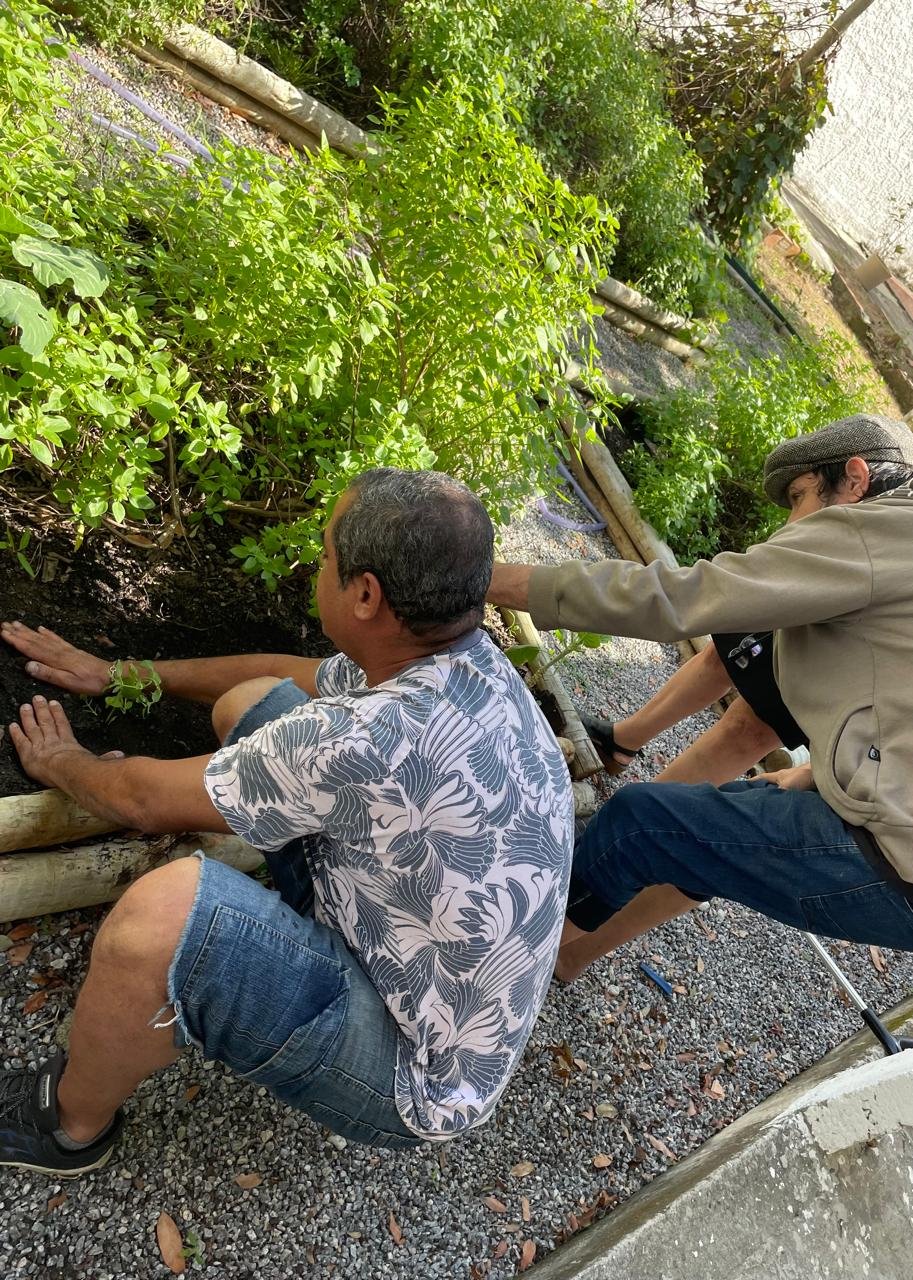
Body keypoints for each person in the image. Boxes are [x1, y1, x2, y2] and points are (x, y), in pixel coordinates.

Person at [0, 467, 574, 1176]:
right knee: (251, 702)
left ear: (364, 594)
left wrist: (62, 761)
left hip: (415, 1074)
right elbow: (287, 675)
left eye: (326, 553)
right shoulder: (462, 658)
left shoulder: (368, 738)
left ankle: (65, 1128)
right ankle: (251, 956)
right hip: (400, 940)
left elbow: (140, 800)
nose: (315, 563)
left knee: (162, 917)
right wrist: (120, 673)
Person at [487, 414, 913, 982]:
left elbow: (678, 598)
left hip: (892, 858)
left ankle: (497, 972)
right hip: (892, 837)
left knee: (639, 824)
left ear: (855, 479)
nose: (791, 522)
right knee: (699, 839)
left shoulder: (878, 533)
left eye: (800, 496)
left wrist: (482, 578)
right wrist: (812, 778)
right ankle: (560, 945)